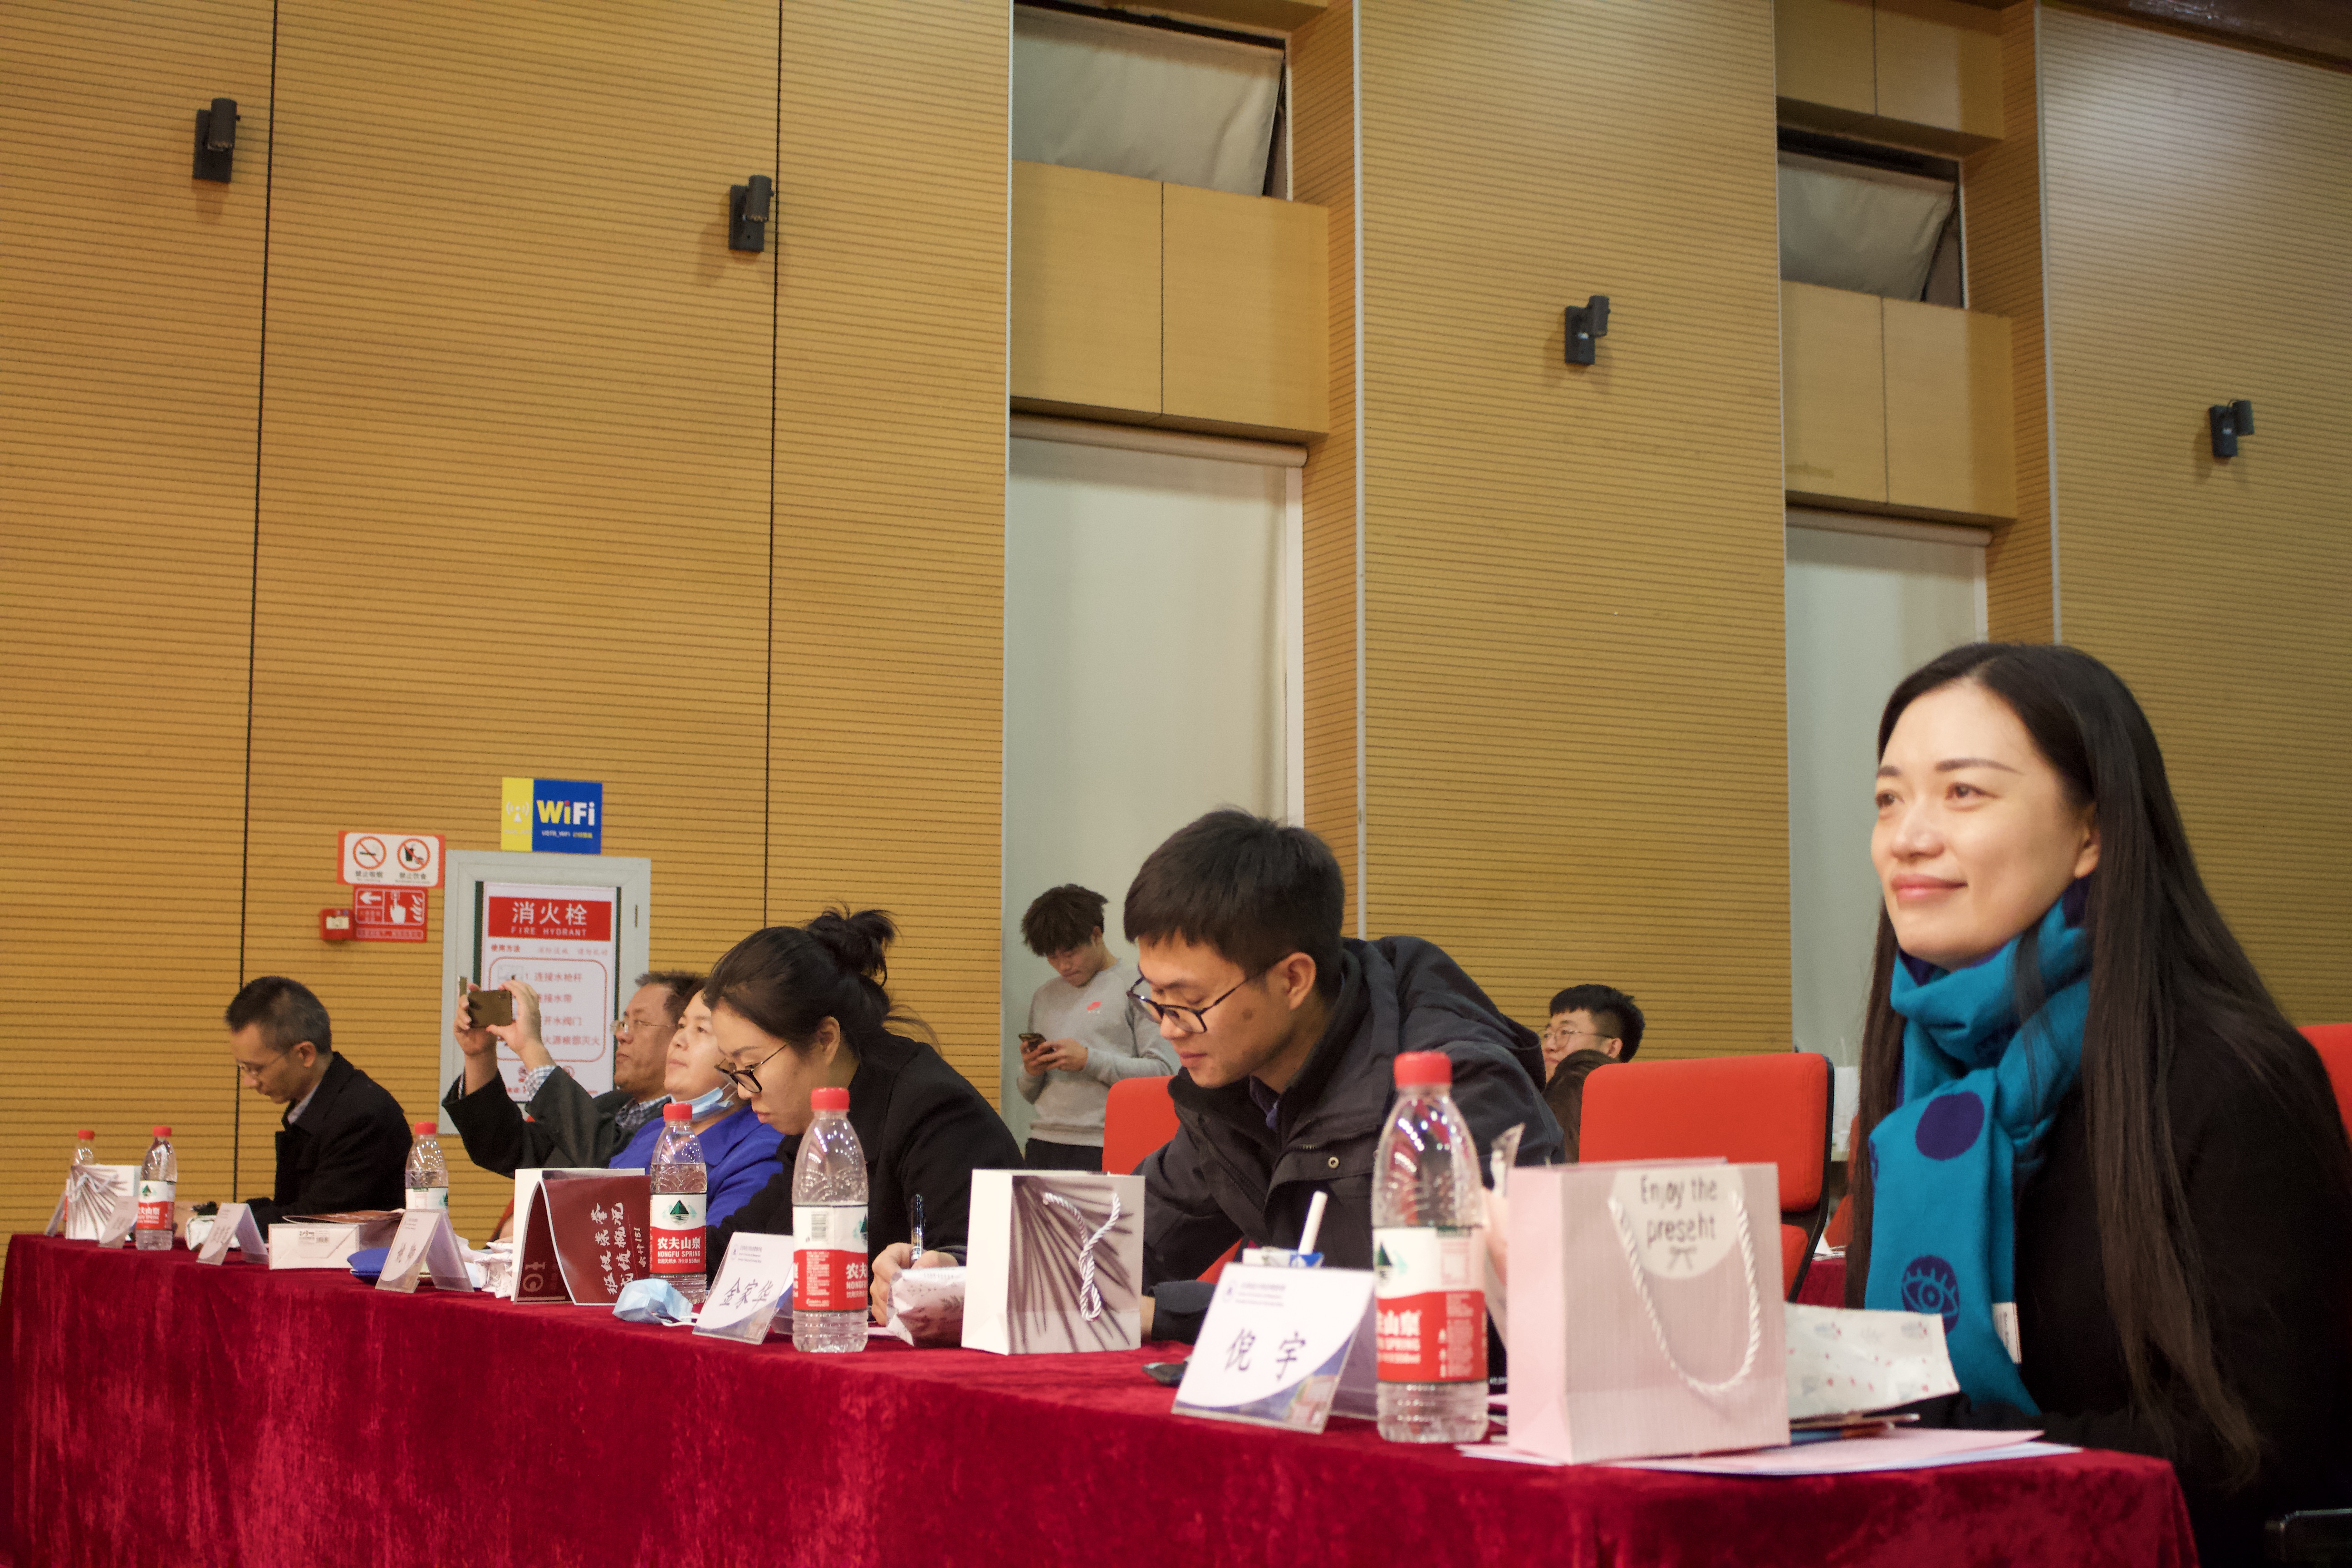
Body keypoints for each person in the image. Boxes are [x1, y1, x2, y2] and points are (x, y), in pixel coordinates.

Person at [1842, 642, 2352, 1566]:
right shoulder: (1914, 1099)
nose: (1907, 838)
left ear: (2092, 832)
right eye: (1888, 799)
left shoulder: (2231, 1079)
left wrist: (1937, 1454)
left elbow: (2262, 1452)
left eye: (1963, 792)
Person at [1126, 810, 1564, 1341]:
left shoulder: (1452, 1094)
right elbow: (1125, 1246)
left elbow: (1445, 1319)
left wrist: (1173, 1312)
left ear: (1293, 980)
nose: (1168, 1027)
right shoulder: (1241, 1086)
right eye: (1155, 995)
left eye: (1189, 1001)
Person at [704, 909, 1021, 1282]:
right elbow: (746, 1247)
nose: (743, 1090)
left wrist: (916, 1286)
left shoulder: (936, 1115)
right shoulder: (819, 1124)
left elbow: (978, 1272)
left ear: (825, 1039)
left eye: (751, 1065)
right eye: (733, 1067)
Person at [442, 970, 697, 1177]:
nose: (621, 1035)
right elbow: (505, 1149)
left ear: (681, 1037)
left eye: (639, 1023)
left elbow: (609, 1162)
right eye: (623, 1023)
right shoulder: (611, 1106)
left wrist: (531, 1048)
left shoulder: (688, 1123)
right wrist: (479, 1055)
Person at [218, 976, 410, 1228]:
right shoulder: (313, 1105)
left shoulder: (362, 1114)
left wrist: (217, 1225)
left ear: (305, 1054)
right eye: (243, 1068)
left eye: (256, 1069)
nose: (249, 1082)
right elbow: (289, 1205)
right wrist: (214, 1213)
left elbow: (315, 1218)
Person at [1014, 882, 1177, 1171]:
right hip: (1043, 1142)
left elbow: (1162, 1073)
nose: (1063, 966)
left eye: (1070, 952)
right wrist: (1032, 1071)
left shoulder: (1138, 987)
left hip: (1106, 1143)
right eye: (1052, 957)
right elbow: (1029, 1093)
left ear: (1096, 935)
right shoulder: (1044, 996)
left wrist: (1089, 1061)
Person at [608, 987, 783, 1228]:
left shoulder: (762, 1149)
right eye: (681, 1026)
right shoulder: (654, 1131)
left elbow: (715, 1246)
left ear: (740, 1056)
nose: (678, 1040)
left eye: (701, 1030)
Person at [1539, 983, 1644, 1159]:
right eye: (1547, 1034)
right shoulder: (1530, 1099)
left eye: (1565, 1032)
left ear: (1611, 1049)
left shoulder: (1634, 1119)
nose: (1549, 1045)